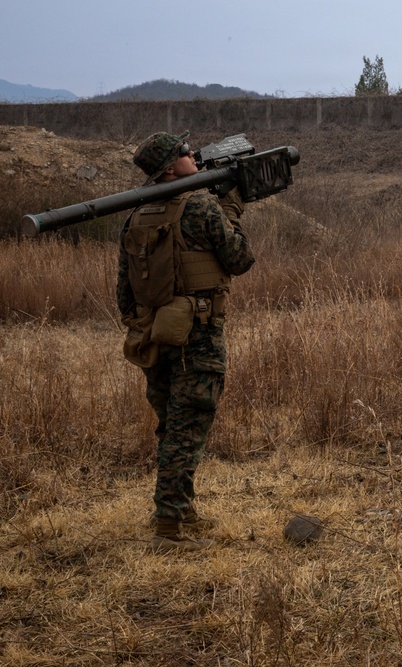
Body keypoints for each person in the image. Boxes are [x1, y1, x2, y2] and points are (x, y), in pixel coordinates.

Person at [117, 130, 255, 553]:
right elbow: (240, 259)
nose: (192, 154)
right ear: (170, 169)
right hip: (197, 337)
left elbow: (124, 293)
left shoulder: (137, 215)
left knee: (172, 427)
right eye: (183, 152)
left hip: (155, 335)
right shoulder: (200, 205)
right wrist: (231, 208)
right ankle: (168, 528)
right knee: (188, 426)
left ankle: (181, 509)